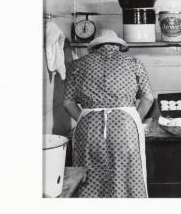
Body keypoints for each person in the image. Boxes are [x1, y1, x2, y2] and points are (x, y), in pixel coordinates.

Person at [63, 29, 154, 198]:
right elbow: (148, 98)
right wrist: (132, 119)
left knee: (89, 178)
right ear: (119, 46)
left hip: (88, 129)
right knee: (127, 176)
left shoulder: (77, 64)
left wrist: (85, 118)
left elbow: (67, 103)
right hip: (125, 128)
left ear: (96, 47)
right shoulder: (134, 62)